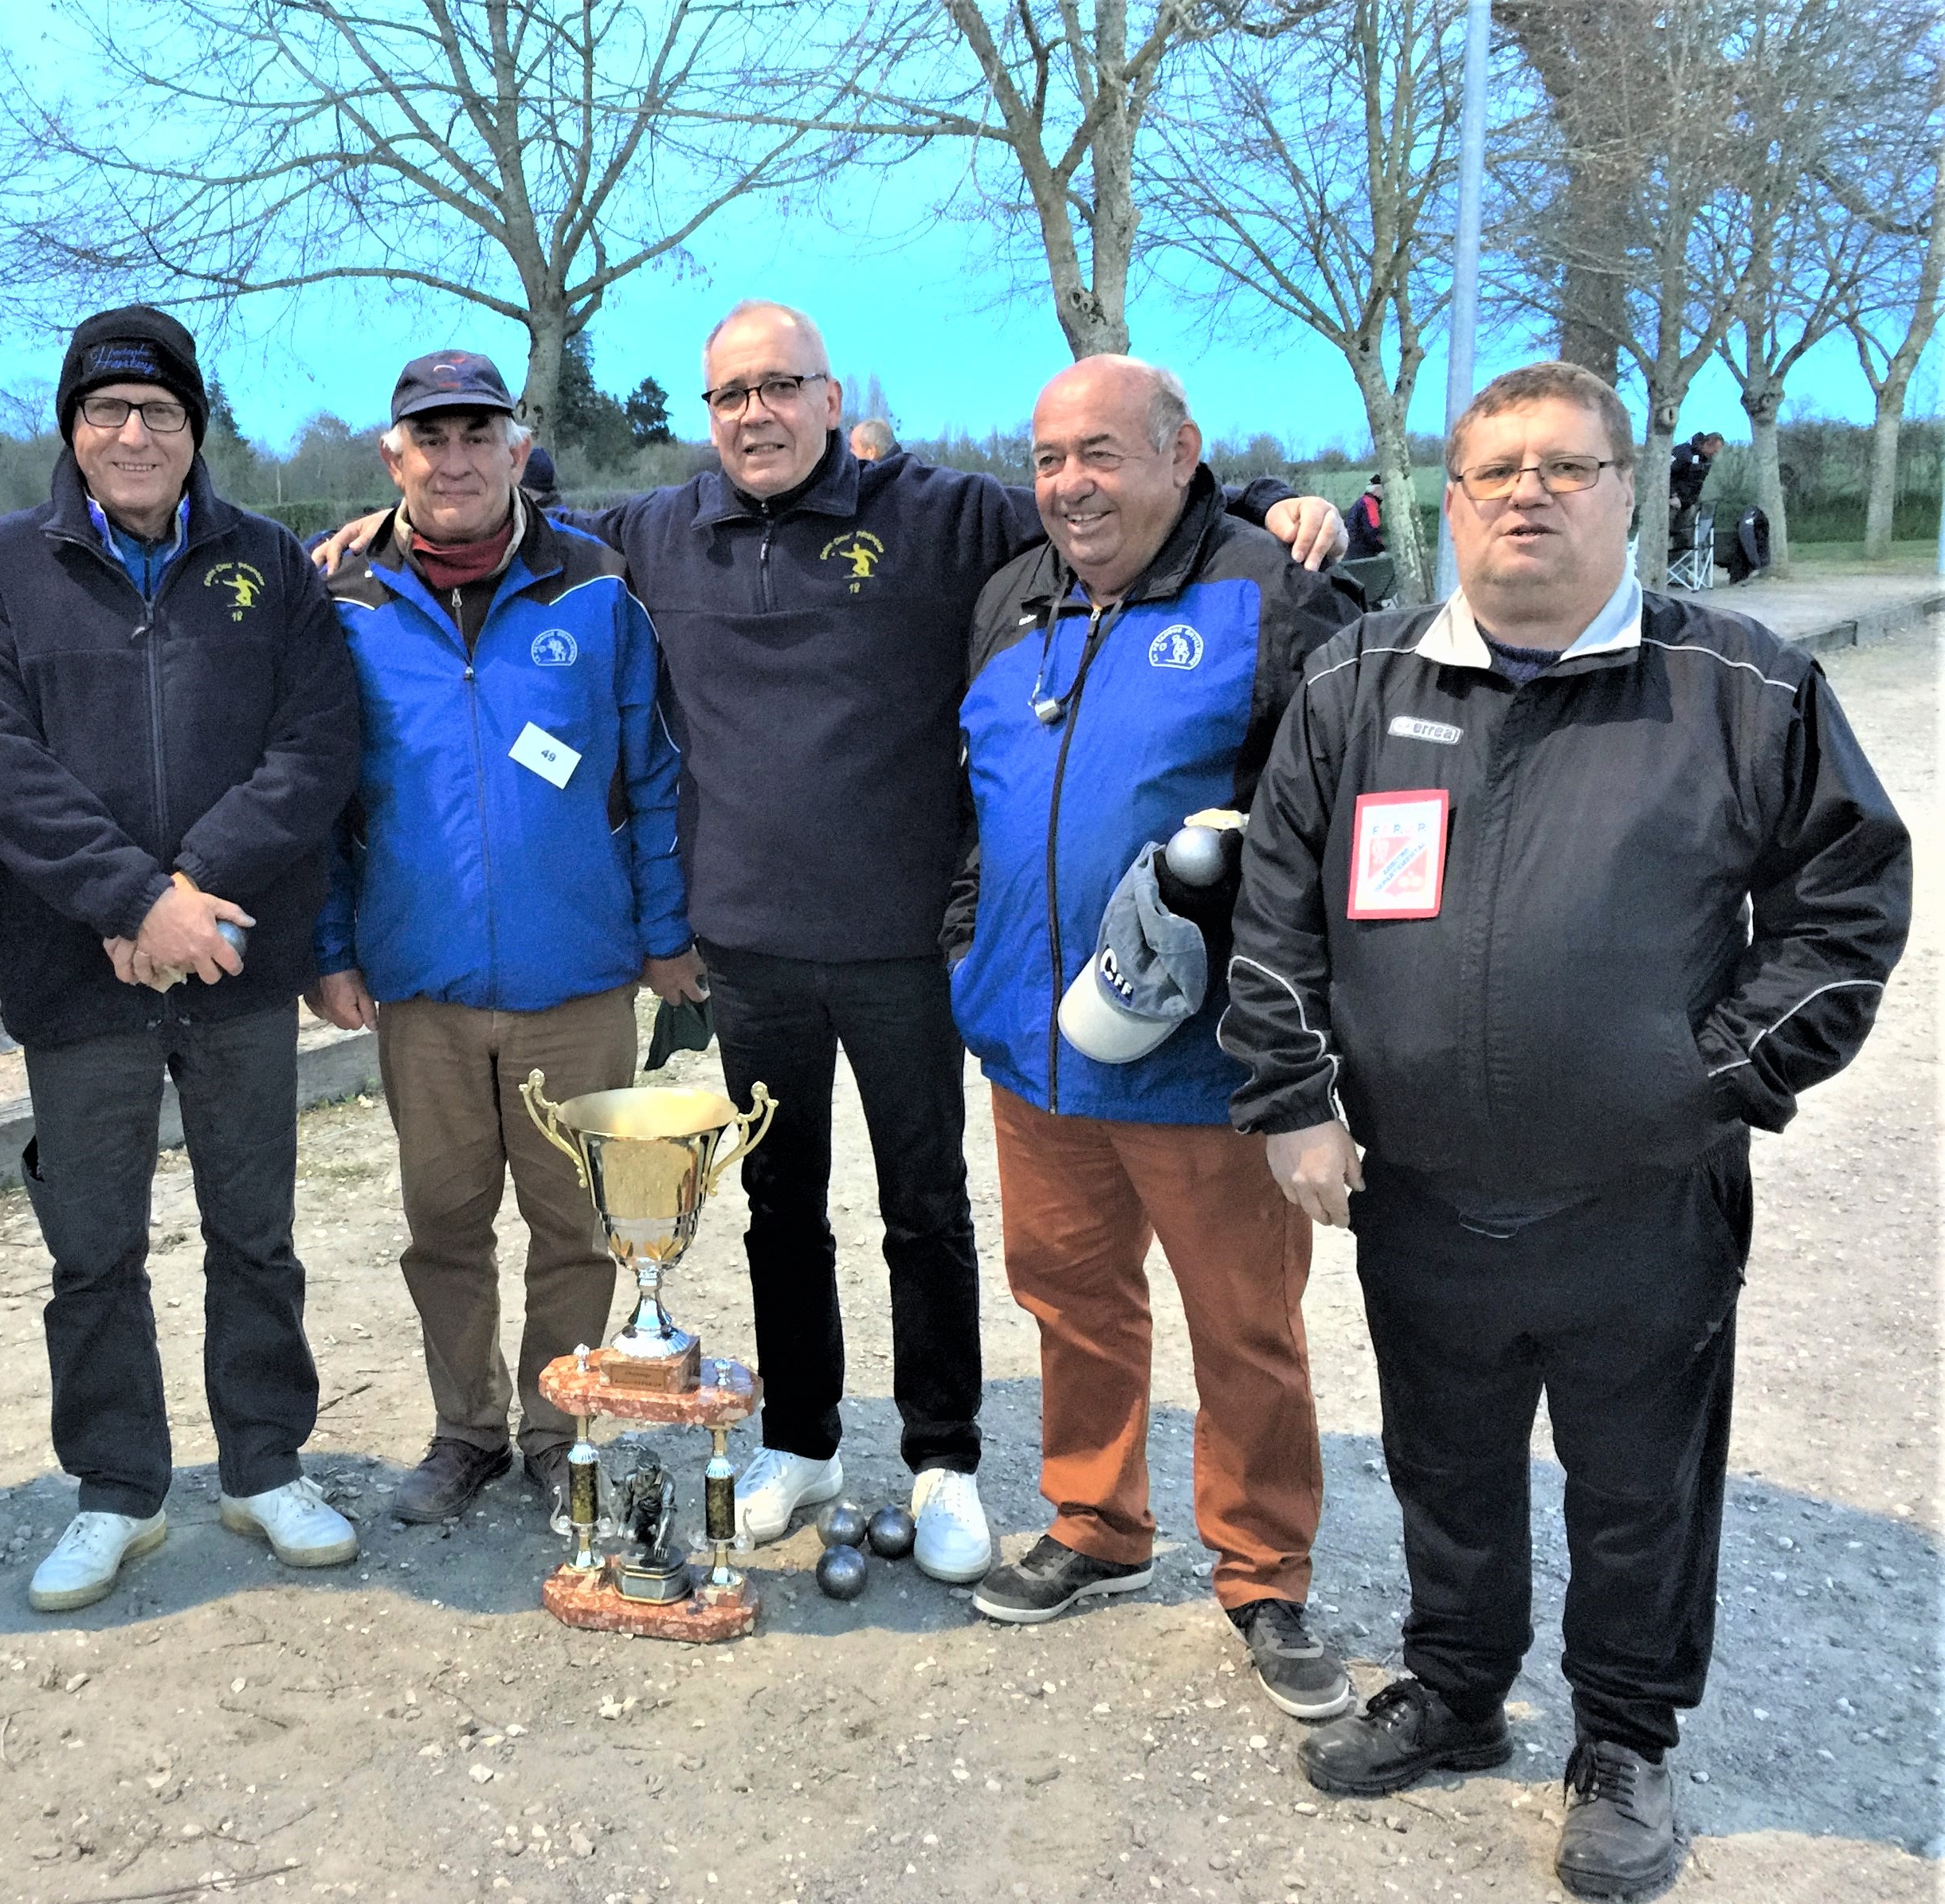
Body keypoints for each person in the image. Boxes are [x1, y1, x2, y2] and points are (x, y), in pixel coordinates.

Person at [320, 300, 1344, 1582]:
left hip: (907, 943)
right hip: (745, 948)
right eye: (730, 396)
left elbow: (1114, 492)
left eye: (779, 387)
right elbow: (506, 520)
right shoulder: (655, 536)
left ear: (827, 396)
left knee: (925, 1210)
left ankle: (942, 1458)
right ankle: (800, 1443)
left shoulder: (938, 515)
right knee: (776, 1208)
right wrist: (370, 539)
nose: (754, 414)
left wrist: (1273, 499)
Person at [1223, 361, 1910, 1901]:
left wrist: (1714, 1076)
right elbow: (1273, 910)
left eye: (1568, 467)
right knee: (1445, 1461)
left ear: (1632, 490)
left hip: (1643, 1192)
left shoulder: (1742, 685)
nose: (1528, 492)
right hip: (1415, 1183)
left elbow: (1848, 904)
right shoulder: (1357, 684)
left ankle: (1621, 1737)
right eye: (1495, 471)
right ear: (1447, 502)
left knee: (1637, 1478)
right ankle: (1460, 1689)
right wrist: (1293, 1098)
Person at [943, 356, 1360, 1719]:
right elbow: (974, 805)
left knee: (1245, 1325)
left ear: (1183, 454)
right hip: (1037, 1049)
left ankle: (1262, 1567)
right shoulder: (1008, 600)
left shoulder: (1268, 585)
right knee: (1071, 1298)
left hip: (1206, 1062)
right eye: (1050, 455)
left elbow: (1343, 812)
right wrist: (970, 952)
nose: (1070, 482)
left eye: (1103, 453)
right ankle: (1096, 1518)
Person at [0, 306, 364, 1611]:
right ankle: (117, 1489)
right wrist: (129, 901)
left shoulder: (271, 566)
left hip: (233, 961)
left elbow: (314, 746)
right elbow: (0, 767)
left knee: (256, 1231)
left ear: (196, 430)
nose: (134, 434)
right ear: (72, 428)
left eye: (160, 413)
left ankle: (262, 1461)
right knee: (93, 1248)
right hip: (78, 976)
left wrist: (197, 894)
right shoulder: (1, 573)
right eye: (108, 412)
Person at [307, 351, 702, 1523]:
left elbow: (654, 770)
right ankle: (465, 1430)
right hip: (420, 980)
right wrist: (331, 949)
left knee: (577, 1224)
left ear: (519, 448)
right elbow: (323, 798)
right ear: (393, 458)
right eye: (430, 437)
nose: (456, 457)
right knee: (442, 1222)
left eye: (479, 433)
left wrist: (666, 937)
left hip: (577, 980)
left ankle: (555, 1424)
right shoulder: (343, 599)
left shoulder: (595, 586)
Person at [1668, 429, 1724, 554]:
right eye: (1714, 450)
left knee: (1686, 532)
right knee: (1668, 525)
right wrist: (1673, 496)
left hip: (1687, 503)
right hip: (1671, 502)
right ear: (1707, 444)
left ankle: (1681, 553)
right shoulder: (1683, 452)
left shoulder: (1706, 460)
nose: (1715, 454)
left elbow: (1698, 484)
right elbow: (1667, 474)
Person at [1343, 474, 1385, 558]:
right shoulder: (1370, 504)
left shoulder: (1362, 501)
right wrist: (1380, 549)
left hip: (1351, 549)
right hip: (1361, 552)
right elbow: (1372, 530)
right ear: (1377, 489)